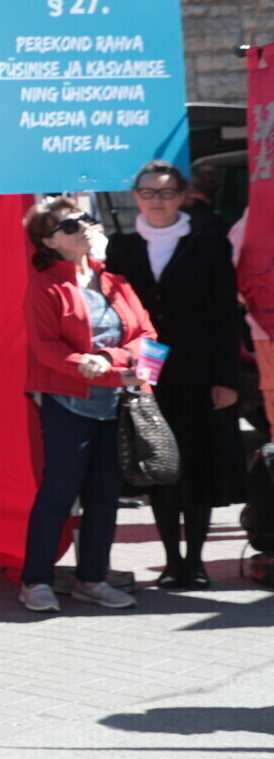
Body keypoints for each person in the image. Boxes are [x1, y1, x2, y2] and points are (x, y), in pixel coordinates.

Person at [107, 162, 246, 589]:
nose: (157, 201)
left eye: (166, 193)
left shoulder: (209, 245)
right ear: (136, 197)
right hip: (147, 369)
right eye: (149, 193)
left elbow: (226, 315)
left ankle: (195, 562)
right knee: (158, 462)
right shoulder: (121, 247)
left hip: (200, 368)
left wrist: (228, 379)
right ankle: (171, 562)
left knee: (198, 462)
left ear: (182, 196)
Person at [19, 196, 154, 614]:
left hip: (120, 404)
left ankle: (92, 579)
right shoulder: (45, 287)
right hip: (68, 404)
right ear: (50, 241)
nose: (84, 227)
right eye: (70, 225)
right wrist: (104, 369)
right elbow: (46, 351)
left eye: (85, 219)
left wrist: (114, 363)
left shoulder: (115, 281)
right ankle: (35, 580)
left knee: (105, 494)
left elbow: (148, 335)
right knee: (59, 493)